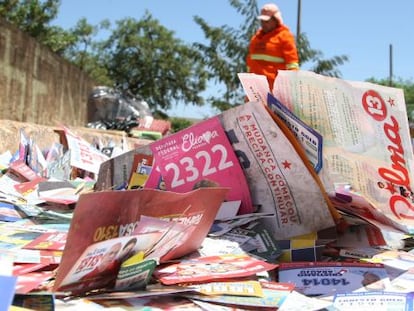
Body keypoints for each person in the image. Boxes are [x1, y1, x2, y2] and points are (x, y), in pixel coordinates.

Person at [246, 3, 299, 90]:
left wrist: (292, 89)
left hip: (275, 91)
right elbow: (250, 63)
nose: (263, 24)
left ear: (276, 20)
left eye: (267, 21)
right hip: (255, 91)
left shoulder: (285, 37)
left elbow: (292, 65)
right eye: (262, 21)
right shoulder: (255, 39)